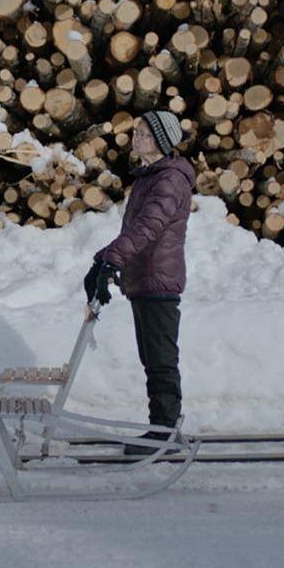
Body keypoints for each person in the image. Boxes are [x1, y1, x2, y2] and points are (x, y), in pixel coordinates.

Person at [83, 110, 196, 455]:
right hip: (144, 279)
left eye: (145, 133)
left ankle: (165, 433)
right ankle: (159, 427)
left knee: (161, 358)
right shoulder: (152, 176)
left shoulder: (169, 179)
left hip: (158, 280)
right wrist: (103, 257)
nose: (137, 138)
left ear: (162, 141)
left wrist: (112, 258)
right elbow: (133, 232)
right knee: (152, 358)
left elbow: (149, 227)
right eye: (137, 131)